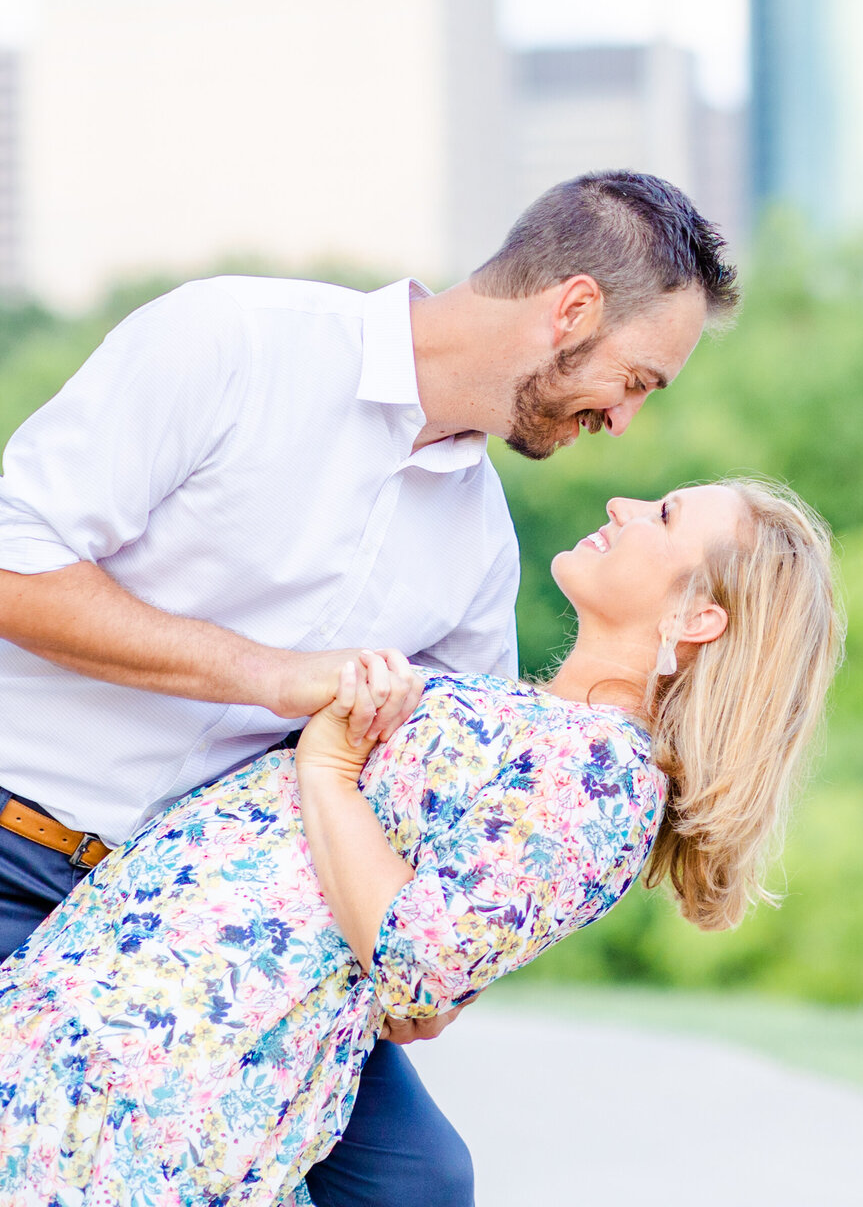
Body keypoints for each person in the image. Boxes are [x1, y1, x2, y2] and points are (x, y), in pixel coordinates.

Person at [0, 171, 739, 1207]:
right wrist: (269, 678)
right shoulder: (234, 343)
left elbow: (434, 833)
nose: (623, 421)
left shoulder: (479, 546)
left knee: (414, 1184)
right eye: (639, 379)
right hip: (15, 845)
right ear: (571, 311)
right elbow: (12, 565)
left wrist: (440, 962)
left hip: (232, 936)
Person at [0, 478, 841, 1207]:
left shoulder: (606, 777)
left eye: (662, 516)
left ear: (699, 617)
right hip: (108, 1005)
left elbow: (420, 963)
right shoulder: (537, 720)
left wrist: (327, 770)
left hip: (173, 1060)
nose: (623, 505)